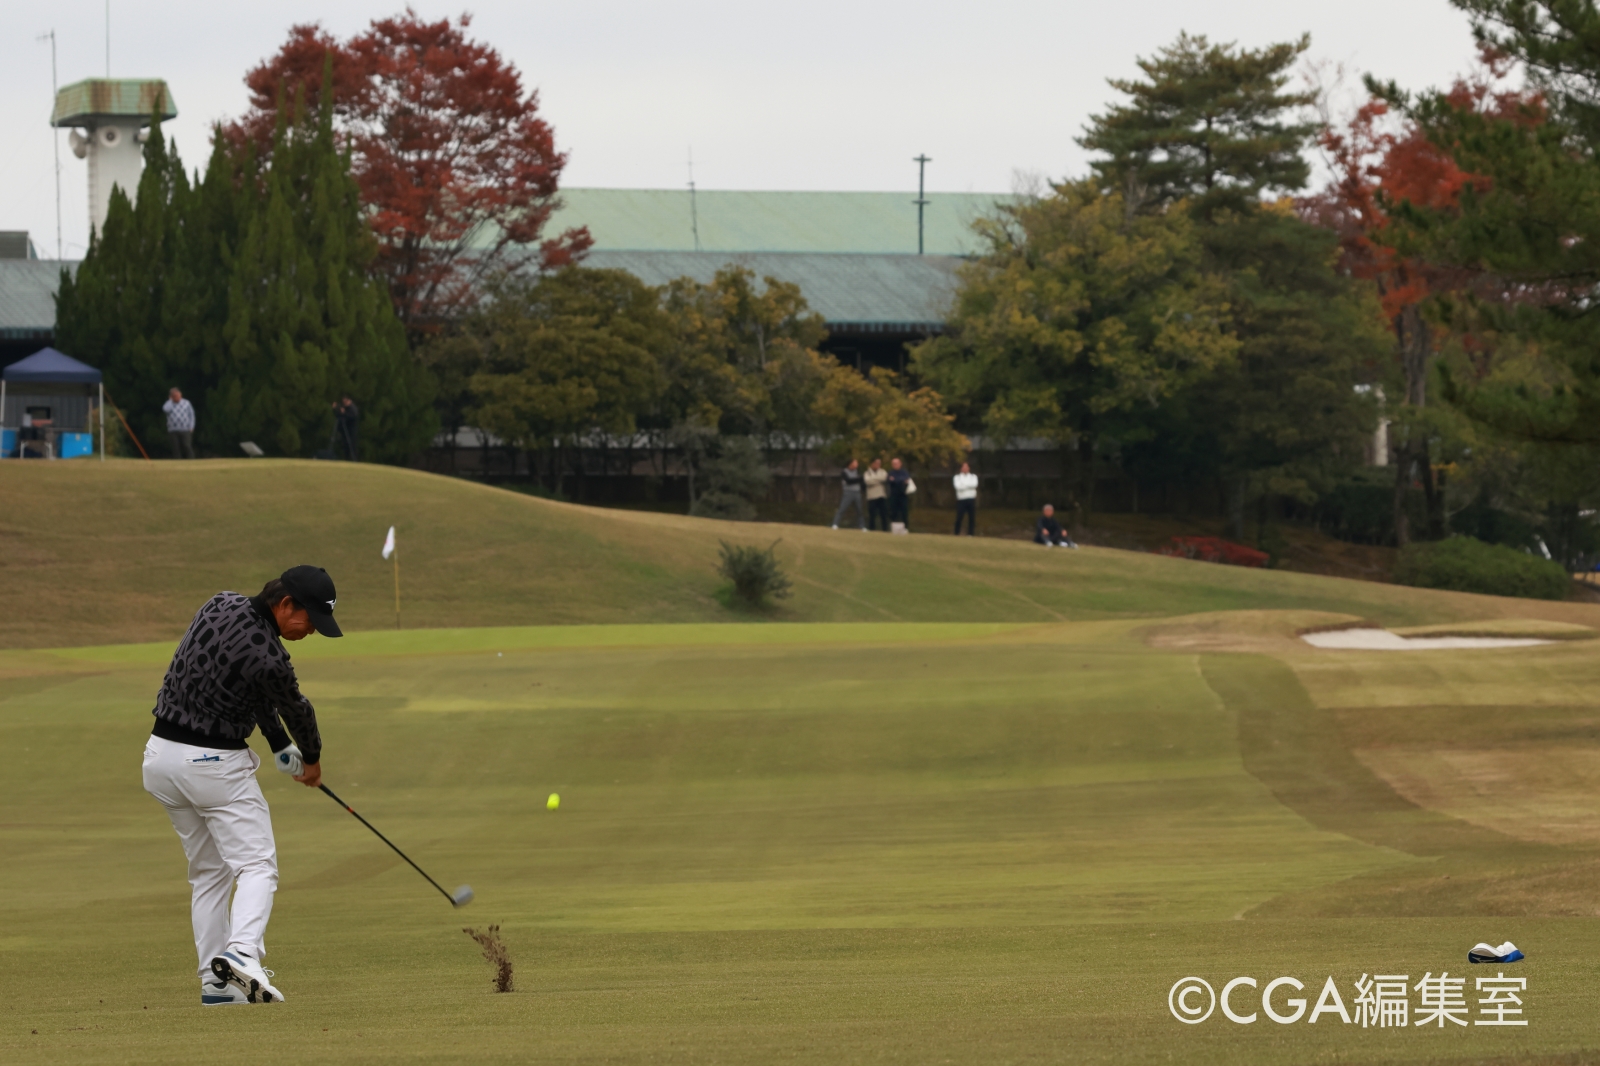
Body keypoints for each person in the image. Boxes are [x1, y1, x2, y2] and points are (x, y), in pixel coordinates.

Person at [142, 565, 343, 1006]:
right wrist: (311, 760)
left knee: (209, 873)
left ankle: (216, 985)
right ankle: (242, 953)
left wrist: (277, 744)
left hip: (160, 759)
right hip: (211, 765)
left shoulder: (220, 603)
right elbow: (296, 709)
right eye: (310, 619)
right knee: (257, 866)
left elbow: (250, 688)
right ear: (285, 604)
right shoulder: (271, 657)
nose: (311, 630)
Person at [832, 458, 866, 530]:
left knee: (859, 510)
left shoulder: (857, 472)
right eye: (855, 463)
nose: (857, 465)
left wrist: (863, 487)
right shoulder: (844, 472)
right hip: (848, 493)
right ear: (850, 464)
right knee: (842, 509)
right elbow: (849, 481)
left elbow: (862, 482)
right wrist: (859, 479)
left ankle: (862, 526)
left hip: (857, 493)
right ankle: (835, 524)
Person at [164, 388, 196, 459]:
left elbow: (191, 415)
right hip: (173, 430)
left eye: (179, 395)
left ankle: (191, 460)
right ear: (172, 397)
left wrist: (192, 426)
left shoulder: (186, 403)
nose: (178, 397)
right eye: (176, 396)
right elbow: (166, 410)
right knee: (175, 447)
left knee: (187, 445)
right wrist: (170, 401)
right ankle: (178, 461)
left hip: (186, 429)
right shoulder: (169, 404)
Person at [863, 458, 890, 532]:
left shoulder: (883, 471)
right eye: (876, 463)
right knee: (872, 515)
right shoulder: (867, 473)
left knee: (884, 514)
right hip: (871, 496)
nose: (878, 465)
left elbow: (884, 478)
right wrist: (878, 480)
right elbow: (868, 482)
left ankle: (885, 530)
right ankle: (872, 529)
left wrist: (874, 479)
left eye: (879, 463)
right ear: (872, 463)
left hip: (881, 495)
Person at [952, 462, 978, 536]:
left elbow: (974, 485)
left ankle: (971, 534)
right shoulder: (957, 477)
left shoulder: (973, 476)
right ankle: (956, 533)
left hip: (971, 499)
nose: (965, 468)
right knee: (959, 517)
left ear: (969, 468)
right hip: (961, 499)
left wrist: (963, 485)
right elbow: (958, 487)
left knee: (971, 517)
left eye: (966, 467)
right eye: (964, 467)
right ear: (961, 468)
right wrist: (969, 486)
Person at [887, 457, 913, 531]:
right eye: (893, 464)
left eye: (896, 463)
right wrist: (900, 481)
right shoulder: (890, 473)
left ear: (900, 464)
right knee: (893, 513)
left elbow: (906, 480)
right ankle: (893, 529)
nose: (895, 465)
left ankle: (906, 529)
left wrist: (895, 480)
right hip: (893, 496)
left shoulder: (904, 472)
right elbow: (889, 480)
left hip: (903, 495)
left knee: (904, 513)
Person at [332, 396, 360, 461]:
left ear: (349, 401)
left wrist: (344, 413)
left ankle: (354, 459)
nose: (344, 403)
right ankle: (346, 458)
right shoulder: (345, 408)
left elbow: (352, 416)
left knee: (352, 445)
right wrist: (335, 409)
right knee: (345, 445)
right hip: (344, 430)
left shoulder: (353, 408)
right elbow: (339, 416)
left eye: (345, 401)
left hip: (351, 431)